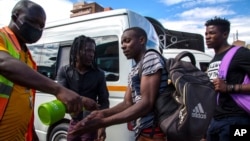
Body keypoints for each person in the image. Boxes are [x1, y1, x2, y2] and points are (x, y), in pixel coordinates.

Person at [0, 1, 98, 141]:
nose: (38, 29)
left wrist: (32, 133)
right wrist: (58, 89)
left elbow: (23, 98)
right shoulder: (2, 38)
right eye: (34, 22)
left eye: (42, 26)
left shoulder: (27, 56)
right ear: (16, 17)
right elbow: (3, 62)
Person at [68, 27, 168, 141]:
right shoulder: (135, 69)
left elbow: (146, 103)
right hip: (143, 131)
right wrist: (102, 114)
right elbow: (127, 103)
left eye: (127, 41)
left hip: (155, 132)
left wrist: (102, 122)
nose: (123, 46)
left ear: (141, 40)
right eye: (122, 42)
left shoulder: (150, 58)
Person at [57, 35, 110, 141]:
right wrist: (82, 100)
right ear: (76, 51)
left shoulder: (99, 74)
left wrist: (102, 125)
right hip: (74, 122)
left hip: (91, 123)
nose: (91, 55)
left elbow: (104, 102)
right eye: (88, 51)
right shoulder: (65, 71)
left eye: (93, 51)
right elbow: (61, 94)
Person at [205, 17, 250, 141]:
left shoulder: (241, 54)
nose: (207, 37)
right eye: (206, 33)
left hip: (238, 120)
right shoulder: (214, 58)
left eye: (212, 33)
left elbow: (224, 87)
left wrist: (229, 87)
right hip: (216, 120)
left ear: (225, 34)